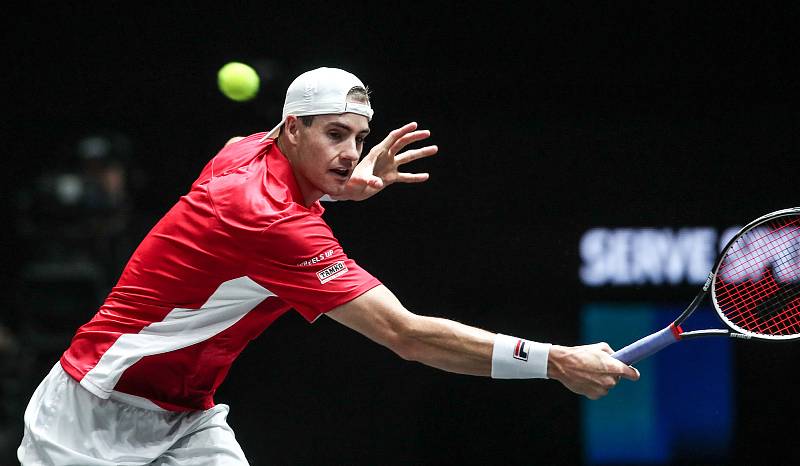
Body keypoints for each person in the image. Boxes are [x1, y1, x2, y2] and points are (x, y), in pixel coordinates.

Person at [18, 67, 639, 465]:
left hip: (185, 420)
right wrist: (555, 362)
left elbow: (279, 186)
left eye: (358, 140)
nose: (350, 154)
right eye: (335, 135)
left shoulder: (244, 149)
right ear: (292, 128)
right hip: (90, 418)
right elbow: (407, 336)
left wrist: (335, 186)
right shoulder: (270, 221)